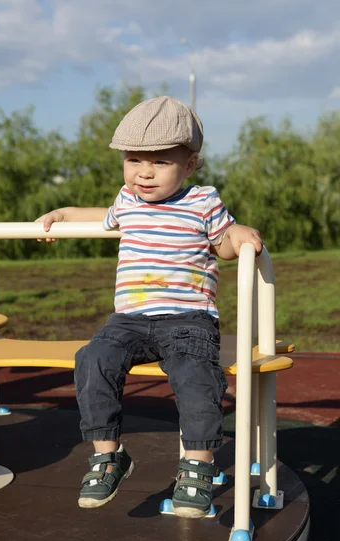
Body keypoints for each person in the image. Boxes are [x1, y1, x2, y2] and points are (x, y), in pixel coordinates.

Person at [36, 96, 263, 519]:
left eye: (159, 162)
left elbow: (225, 243)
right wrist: (65, 214)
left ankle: (198, 468)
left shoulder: (203, 202)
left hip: (188, 317)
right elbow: (101, 215)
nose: (143, 172)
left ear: (190, 164)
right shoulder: (128, 200)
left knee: (197, 376)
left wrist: (240, 234)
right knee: (92, 359)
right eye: (134, 159)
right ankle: (108, 456)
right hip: (129, 321)